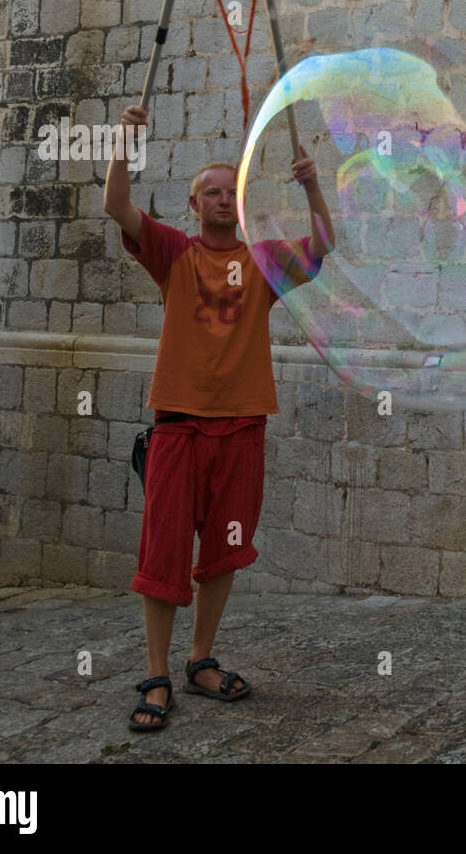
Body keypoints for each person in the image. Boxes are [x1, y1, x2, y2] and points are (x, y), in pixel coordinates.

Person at [104, 103, 333, 731]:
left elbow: (324, 245)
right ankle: (156, 674)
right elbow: (117, 205)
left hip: (241, 427)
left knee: (225, 553)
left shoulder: (262, 262)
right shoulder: (173, 253)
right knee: (163, 555)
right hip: (179, 425)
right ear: (192, 205)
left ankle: (199, 660)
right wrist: (123, 142)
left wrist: (311, 183)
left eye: (230, 191)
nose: (221, 200)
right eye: (210, 192)